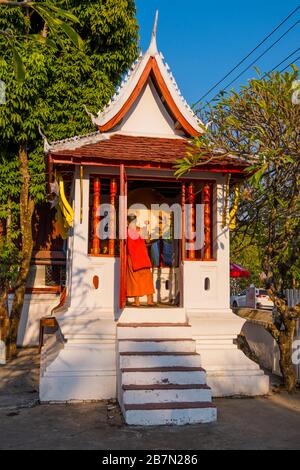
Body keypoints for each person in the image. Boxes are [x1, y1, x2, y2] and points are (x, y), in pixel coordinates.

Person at [127, 214, 155, 307]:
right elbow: (147, 241)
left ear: (128, 221)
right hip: (143, 257)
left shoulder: (127, 231)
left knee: (135, 279)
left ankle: (137, 302)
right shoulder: (141, 230)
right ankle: (150, 301)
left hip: (133, 257)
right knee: (147, 279)